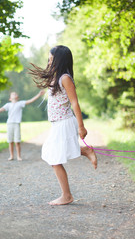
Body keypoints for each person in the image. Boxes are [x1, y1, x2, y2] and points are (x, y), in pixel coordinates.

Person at [29, 45, 97, 206]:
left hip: (65, 122)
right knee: (53, 154)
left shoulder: (65, 78)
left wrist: (81, 126)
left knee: (54, 157)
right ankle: (85, 150)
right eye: (48, 59)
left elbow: (75, 103)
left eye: (51, 59)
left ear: (59, 60)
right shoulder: (55, 77)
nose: (49, 62)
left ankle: (66, 196)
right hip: (58, 124)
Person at [0, 90, 45, 161]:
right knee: (10, 141)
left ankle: (19, 156)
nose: (14, 94)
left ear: (17, 97)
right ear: (10, 98)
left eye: (15, 94)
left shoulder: (20, 103)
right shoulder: (8, 105)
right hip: (9, 124)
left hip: (16, 124)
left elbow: (30, 101)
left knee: (17, 141)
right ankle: (11, 156)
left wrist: (39, 95)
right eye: (12, 94)